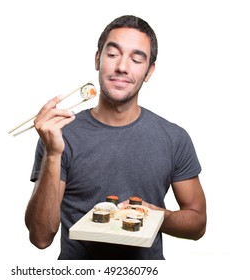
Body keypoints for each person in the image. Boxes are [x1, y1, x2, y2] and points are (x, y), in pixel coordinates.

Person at [25, 15, 207, 260]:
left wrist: (156, 216)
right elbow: (41, 237)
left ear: (149, 71)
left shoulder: (174, 138)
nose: (122, 67)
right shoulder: (60, 134)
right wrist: (53, 153)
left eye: (136, 59)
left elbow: (198, 224)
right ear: (97, 59)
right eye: (112, 55)